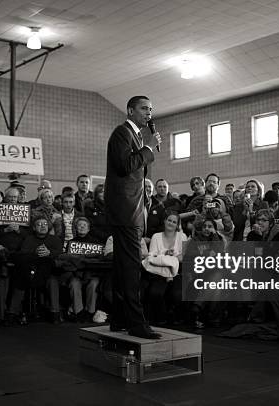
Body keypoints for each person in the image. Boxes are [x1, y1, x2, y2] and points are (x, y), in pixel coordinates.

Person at [105, 95, 162, 339]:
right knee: (130, 268)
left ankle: (119, 318)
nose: (148, 113)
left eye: (150, 109)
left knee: (121, 267)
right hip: (125, 210)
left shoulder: (136, 135)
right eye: (143, 108)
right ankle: (137, 323)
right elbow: (125, 166)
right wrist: (148, 148)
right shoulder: (122, 132)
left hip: (132, 209)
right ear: (130, 111)